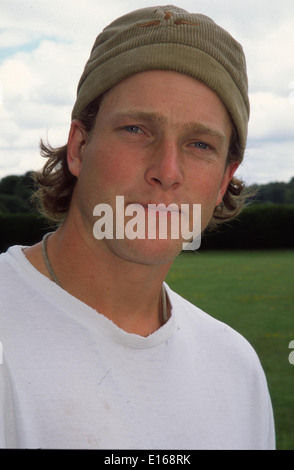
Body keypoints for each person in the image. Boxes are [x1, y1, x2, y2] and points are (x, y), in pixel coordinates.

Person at [0, 5, 275, 449]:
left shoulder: (237, 367)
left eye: (199, 144)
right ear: (79, 148)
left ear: (224, 179)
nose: (167, 170)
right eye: (136, 129)